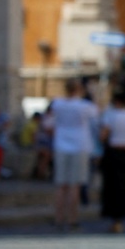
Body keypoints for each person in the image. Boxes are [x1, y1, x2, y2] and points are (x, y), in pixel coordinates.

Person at [46, 78, 98, 231]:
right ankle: (72, 220)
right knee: (74, 186)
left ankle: (58, 218)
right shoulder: (85, 106)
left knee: (61, 185)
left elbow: (48, 123)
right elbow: (96, 116)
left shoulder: (57, 104)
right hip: (79, 146)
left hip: (61, 145)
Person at [96, 92, 125, 233]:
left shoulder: (111, 116)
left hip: (113, 153)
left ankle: (117, 221)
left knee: (113, 189)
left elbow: (103, 135)